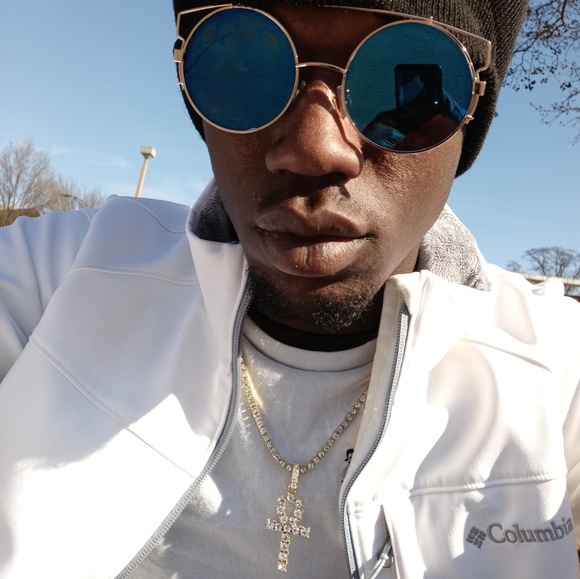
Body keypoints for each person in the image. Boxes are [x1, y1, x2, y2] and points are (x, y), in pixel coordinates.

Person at [0, 0, 579, 577]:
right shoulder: (60, 277)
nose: (314, 147)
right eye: (245, 69)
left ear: (472, 111)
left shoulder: (555, 373)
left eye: (399, 86)